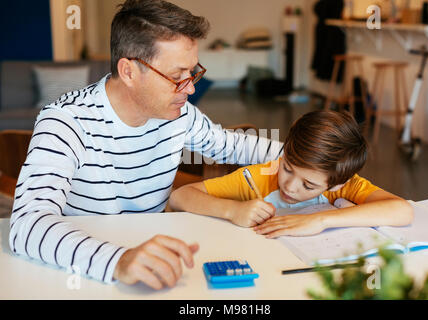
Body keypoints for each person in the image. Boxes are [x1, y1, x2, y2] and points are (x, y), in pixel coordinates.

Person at [9, 0, 283, 290]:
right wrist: (120, 261)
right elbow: (27, 226)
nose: (190, 88)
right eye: (177, 77)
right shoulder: (66, 122)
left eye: (192, 73)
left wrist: (307, 156)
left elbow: (231, 145)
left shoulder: (178, 113)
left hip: (155, 259)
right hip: (84, 271)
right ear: (128, 71)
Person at [169, 110, 414, 237]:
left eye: (308, 185)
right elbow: (180, 197)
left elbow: (402, 210)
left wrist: (319, 220)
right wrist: (232, 210)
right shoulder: (263, 175)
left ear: (337, 185)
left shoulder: (344, 183)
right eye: (287, 167)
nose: (290, 186)